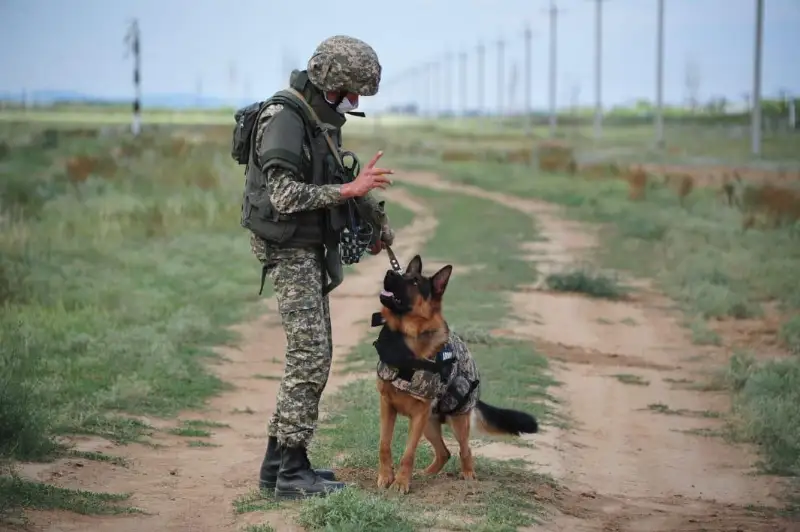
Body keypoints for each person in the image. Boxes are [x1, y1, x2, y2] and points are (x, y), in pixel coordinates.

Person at [247, 35, 395, 500]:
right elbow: (284, 196)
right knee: (309, 356)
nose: (354, 103)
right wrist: (350, 192)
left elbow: (336, 180)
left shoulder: (317, 119)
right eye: (351, 92)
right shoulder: (284, 118)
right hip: (288, 248)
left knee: (317, 353)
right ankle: (292, 473)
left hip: (307, 248)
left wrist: (375, 225)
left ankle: (279, 465)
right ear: (330, 81)